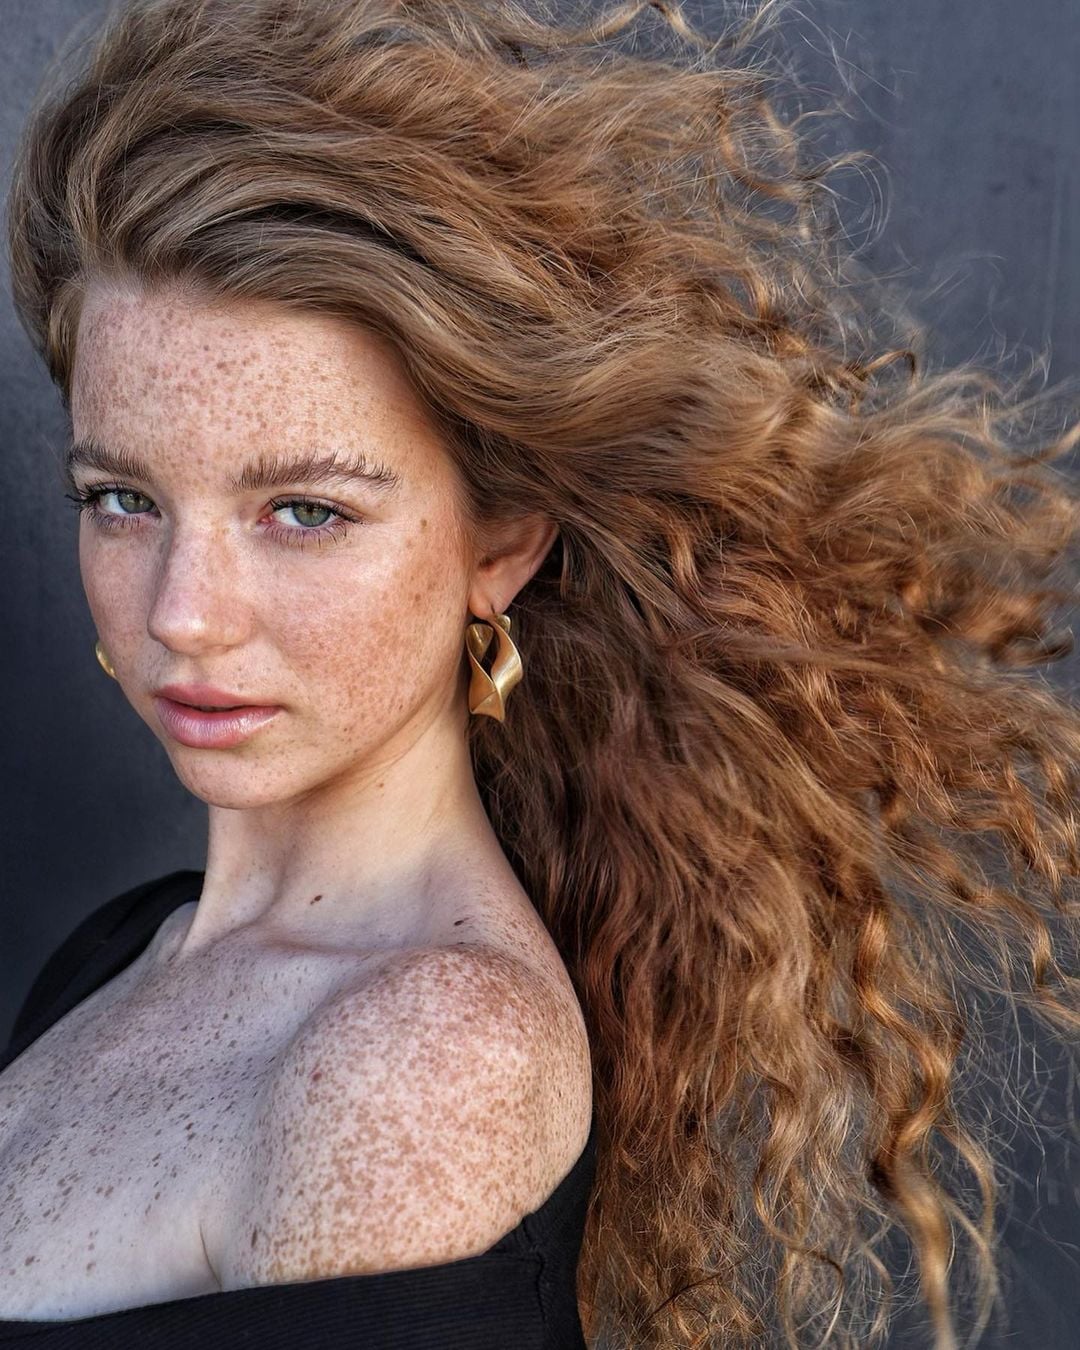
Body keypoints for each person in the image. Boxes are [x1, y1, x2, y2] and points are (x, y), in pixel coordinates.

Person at [3, 0, 1079, 1346]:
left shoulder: (428, 1060)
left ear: (501, 541)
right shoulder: (124, 950)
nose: (184, 613)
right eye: (121, 499)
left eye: (306, 512)